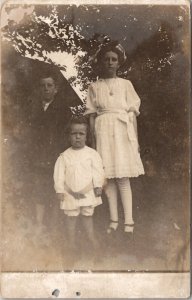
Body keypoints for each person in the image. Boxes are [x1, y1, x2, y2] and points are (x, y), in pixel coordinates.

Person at [84, 41, 145, 236]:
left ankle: (129, 221)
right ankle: (113, 220)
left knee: (122, 177)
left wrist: (135, 141)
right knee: (108, 177)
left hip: (122, 131)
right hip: (102, 131)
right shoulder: (94, 86)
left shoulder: (126, 84)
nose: (110, 62)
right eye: (107, 59)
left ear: (119, 63)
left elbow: (132, 114)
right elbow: (92, 116)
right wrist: (93, 142)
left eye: (114, 59)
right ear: (101, 63)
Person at [28, 72, 72, 233]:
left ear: (56, 89)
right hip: (38, 156)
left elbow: (66, 135)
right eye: (43, 85)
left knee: (57, 189)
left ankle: (54, 227)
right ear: (39, 89)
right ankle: (39, 225)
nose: (46, 89)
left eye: (49, 85)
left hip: (55, 156)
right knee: (39, 188)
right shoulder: (33, 108)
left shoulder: (64, 110)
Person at [53, 117, 105, 252]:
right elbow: (58, 175)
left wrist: (98, 185)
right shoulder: (64, 156)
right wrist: (59, 190)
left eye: (81, 134)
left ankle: (91, 240)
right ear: (69, 136)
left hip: (87, 192)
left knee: (87, 215)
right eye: (74, 134)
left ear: (86, 136)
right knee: (71, 216)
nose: (77, 137)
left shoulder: (92, 154)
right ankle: (71, 243)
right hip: (70, 192)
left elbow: (98, 171)